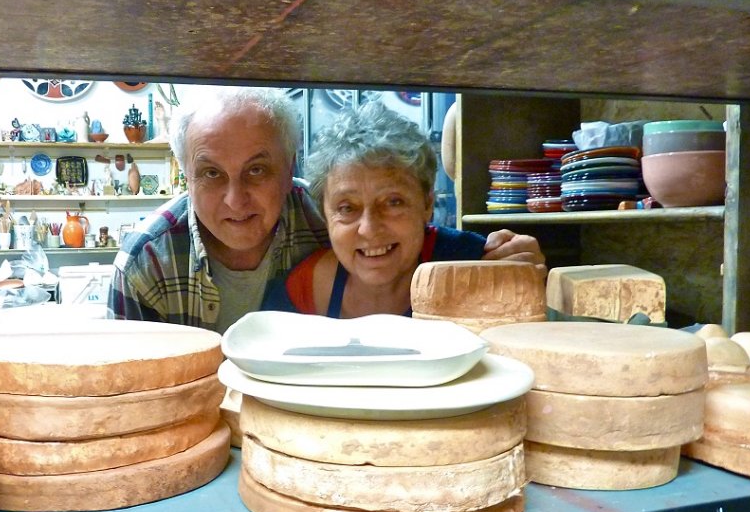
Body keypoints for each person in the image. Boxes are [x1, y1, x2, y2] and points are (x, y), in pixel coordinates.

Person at [109, 87, 544, 333]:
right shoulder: (146, 260)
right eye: (210, 174)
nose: (235, 199)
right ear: (184, 174)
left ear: (289, 168)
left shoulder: (321, 214)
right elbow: (125, 386)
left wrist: (517, 263)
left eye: (258, 170)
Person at [262, 99, 543, 317]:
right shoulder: (300, 292)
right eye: (347, 208)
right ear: (325, 216)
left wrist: (526, 277)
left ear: (427, 205)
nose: (370, 229)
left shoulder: (471, 262)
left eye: (393, 202)